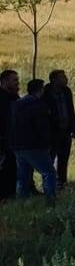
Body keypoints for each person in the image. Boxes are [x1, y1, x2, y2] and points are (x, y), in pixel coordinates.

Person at [10, 78, 59, 205]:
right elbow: (42, 128)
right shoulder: (39, 106)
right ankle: (51, 200)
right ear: (40, 90)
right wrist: (47, 142)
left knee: (23, 176)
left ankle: (21, 201)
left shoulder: (16, 104)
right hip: (35, 146)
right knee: (48, 172)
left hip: (18, 146)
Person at [44, 70, 75, 189]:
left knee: (64, 158)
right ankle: (48, 183)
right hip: (52, 132)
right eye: (62, 77)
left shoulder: (66, 91)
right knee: (49, 159)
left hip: (65, 130)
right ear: (54, 80)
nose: (66, 79)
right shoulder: (45, 92)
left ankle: (62, 182)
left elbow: (71, 110)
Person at [0, 69, 18, 202]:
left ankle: (10, 194)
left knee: (11, 167)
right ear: (5, 81)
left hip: (12, 139)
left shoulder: (14, 97)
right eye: (14, 80)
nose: (17, 83)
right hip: (2, 139)